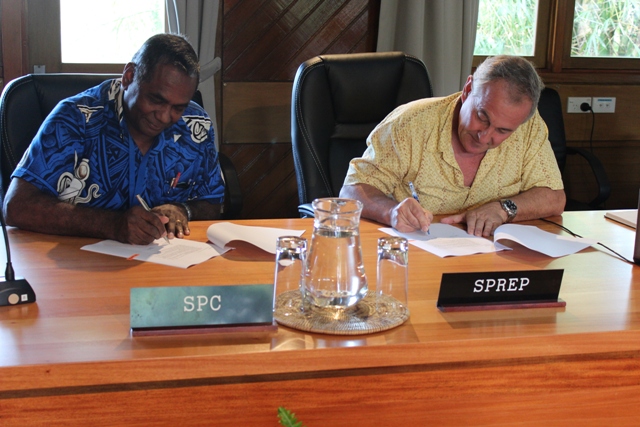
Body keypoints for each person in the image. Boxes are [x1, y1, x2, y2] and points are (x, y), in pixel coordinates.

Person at [3, 33, 225, 245]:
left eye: (178, 107)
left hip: (163, 264)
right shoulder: (76, 118)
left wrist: (183, 209)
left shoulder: (196, 124)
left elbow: (214, 202)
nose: (165, 116)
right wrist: (110, 224)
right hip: (76, 264)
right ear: (129, 77)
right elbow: (16, 207)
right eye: (156, 100)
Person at [340, 55, 566, 237]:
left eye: (502, 131)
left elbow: (554, 198)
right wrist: (391, 211)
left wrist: (503, 208)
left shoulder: (529, 126)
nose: (484, 135)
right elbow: (352, 190)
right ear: (468, 90)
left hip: (489, 262)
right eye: (482, 116)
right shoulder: (410, 123)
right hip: (415, 254)